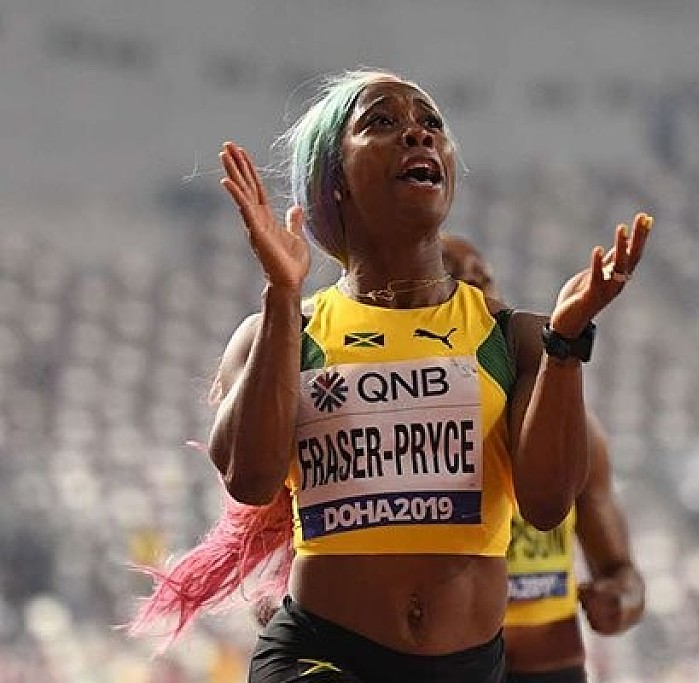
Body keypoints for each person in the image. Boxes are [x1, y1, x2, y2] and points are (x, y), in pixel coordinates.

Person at [128, 68, 652, 683]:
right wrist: (280, 294)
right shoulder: (284, 330)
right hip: (321, 652)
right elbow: (251, 478)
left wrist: (565, 344)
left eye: (432, 124)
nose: (418, 134)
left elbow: (545, 506)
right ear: (334, 181)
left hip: (466, 667)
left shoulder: (517, 339)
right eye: (381, 122)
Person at [442, 235, 645, 683]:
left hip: (551, 666)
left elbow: (624, 575)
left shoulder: (575, 429)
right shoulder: (414, 426)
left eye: (483, 276)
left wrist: (619, 601)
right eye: (455, 277)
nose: (476, 287)